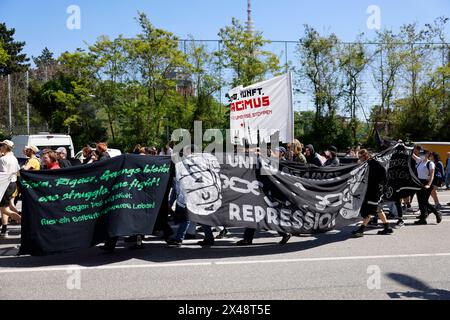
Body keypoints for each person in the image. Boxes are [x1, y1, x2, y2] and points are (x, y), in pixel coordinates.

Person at [236, 146, 291, 246]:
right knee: (255, 214)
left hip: (271, 194)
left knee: (264, 214)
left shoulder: (282, 164)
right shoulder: (269, 161)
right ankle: (247, 239)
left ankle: (284, 233)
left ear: (282, 153)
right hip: (262, 191)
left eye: (276, 151)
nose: (274, 152)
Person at [352, 149, 394, 237]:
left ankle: (361, 229)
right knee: (378, 209)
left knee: (369, 209)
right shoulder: (366, 164)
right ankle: (387, 227)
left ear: (365, 156)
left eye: (361, 156)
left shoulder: (373, 162)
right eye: (359, 156)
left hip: (374, 191)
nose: (359, 158)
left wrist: (379, 184)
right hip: (370, 190)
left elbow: (383, 172)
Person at [411, 149, 442, 225]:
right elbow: (411, 154)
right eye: (420, 154)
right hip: (419, 183)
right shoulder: (420, 161)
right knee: (420, 202)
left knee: (424, 202)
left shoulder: (430, 163)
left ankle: (437, 213)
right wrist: (401, 144)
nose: (420, 155)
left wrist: (428, 184)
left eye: (422, 154)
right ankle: (423, 219)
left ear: (427, 155)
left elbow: (432, 175)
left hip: (427, 183)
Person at [0, 140, 22, 238]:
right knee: (6, 207)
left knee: (4, 209)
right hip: (13, 184)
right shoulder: (14, 158)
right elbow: (17, 171)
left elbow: (2, 174)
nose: (0, 147)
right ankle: (4, 231)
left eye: (1, 145)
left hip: (5, 184)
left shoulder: (3, 159)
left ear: (5, 146)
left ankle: (23, 221)